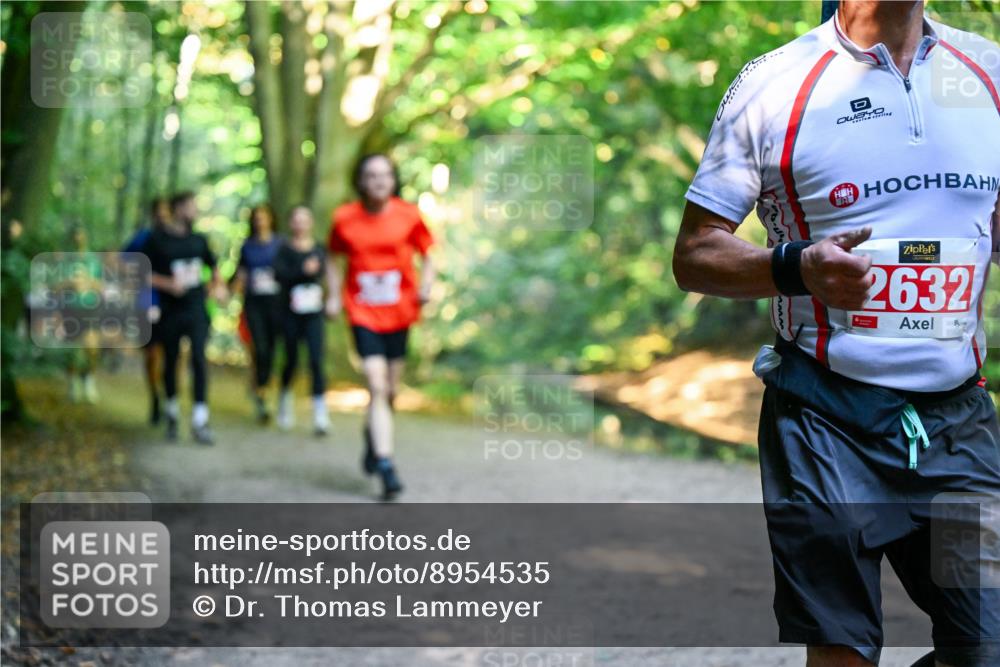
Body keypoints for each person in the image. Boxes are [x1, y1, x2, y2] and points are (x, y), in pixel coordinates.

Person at [672, 2, 999, 666]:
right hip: (824, 414)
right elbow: (695, 253)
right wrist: (797, 267)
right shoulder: (775, 84)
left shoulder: (988, 71)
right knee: (844, 653)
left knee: (986, 646)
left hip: (957, 419)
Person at [326, 154, 435, 500]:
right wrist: (332, 295)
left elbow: (429, 252)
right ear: (361, 181)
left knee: (389, 391)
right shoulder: (344, 219)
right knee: (374, 385)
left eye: (384, 175)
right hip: (362, 311)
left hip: (400, 312)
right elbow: (331, 256)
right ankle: (386, 465)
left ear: (393, 180)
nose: (378, 182)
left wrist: (427, 285)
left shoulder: (409, 215)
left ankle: (373, 438)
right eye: (371, 176)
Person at [142, 192, 225, 444]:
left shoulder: (199, 240)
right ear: (178, 209)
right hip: (170, 312)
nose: (195, 211)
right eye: (191, 207)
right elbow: (140, 271)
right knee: (171, 360)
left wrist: (218, 286)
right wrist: (167, 283)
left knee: (199, 358)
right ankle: (172, 413)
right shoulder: (157, 240)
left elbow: (214, 268)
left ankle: (200, 419)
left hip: (197, 309)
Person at [274, 206, 330, 436]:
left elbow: (328, 274)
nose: (300, 224)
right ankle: (285, 400)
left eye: (304, 220)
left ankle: (320, 413)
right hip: (290, 313)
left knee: (316, 360)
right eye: (296, 220)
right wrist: (302, 270)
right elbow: (278, 275)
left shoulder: (319, 248)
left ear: (311, 222)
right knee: (292, 360)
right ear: (291, 224)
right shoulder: (284, 250)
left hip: (314, 313)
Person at [231, 204, 283, 423]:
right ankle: (261, 389)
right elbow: (240, 274)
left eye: (264, 217)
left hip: (276, 304)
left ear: (271, 219)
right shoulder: (247, 247)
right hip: (254, 305)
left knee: (270, 350)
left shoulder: (281, 245)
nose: (261, 221)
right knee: (258, 347)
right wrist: (230, 290)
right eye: (257, 218)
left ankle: (263, 387)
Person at [123, 197, 170, 423]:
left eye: (165, 212)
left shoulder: (178, 239)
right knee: (151, 355)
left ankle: (171, 398)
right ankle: (155, 397)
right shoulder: (142, 238)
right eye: (158, 213)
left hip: (173, 306)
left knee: (173, 356)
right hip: (146, 302)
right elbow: (122, 262)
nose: (162, 217)